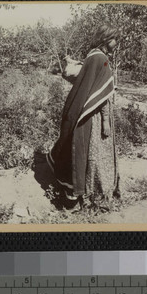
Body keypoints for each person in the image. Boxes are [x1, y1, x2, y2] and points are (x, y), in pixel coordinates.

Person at [47, 25, 121, 209]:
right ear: (106, 39)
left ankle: (84, 191)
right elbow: (102, 93)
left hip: (84, 108)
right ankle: (93, 192)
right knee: (93, 150)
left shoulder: (92, 55)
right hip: (94, 112)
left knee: (84, 150)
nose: (116, 44)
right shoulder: (101, 59)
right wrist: (105, 120)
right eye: (114, 40)